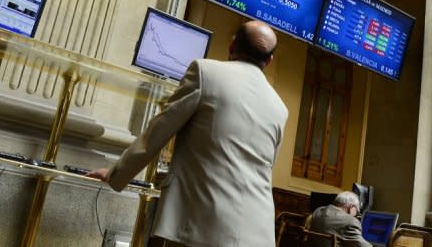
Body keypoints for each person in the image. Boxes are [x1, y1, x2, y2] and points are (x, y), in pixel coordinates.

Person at [87, 20, 288, 247]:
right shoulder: (280, 108)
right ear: (269, 61)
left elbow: (160, 128)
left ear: (232, 46)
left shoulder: (205, 72)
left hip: (203, 223)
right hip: (258, 232)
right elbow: (266, 168)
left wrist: (116, 173)